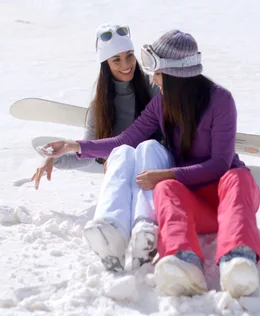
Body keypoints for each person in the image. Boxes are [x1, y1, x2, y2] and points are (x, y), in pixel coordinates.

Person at [38, 30, 260, 298]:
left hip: (229, 197)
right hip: (196, 205)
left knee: (235, 177)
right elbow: (126, 140)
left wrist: (167, 173)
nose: (153, 79)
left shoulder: (220, 100)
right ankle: (183, 263)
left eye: (158, 73)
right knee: (167, 189)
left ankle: (238, 262)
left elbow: (220, 165)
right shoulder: (162, 103)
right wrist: (74, 146)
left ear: (176, 75)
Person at [31, 24, 173, 272]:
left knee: (143, 147)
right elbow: (89, 154)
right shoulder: (100, 106)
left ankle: (146, 228)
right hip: (125, 162)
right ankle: (110, 228)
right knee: (121, 152)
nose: (125, 64)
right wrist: (58, 159)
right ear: (105, 65)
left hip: (154, 160)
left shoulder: (152, 88)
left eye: (129, 56)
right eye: (116, 59)